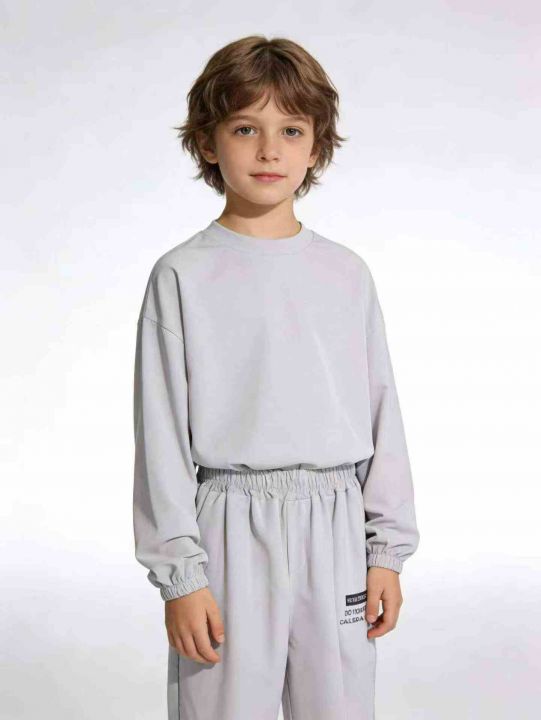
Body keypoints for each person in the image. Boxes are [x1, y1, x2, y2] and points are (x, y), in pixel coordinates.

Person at [132, 34, 420, 720]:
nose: (269, 150)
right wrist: (181, 578)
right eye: (244, 128)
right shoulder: (183, 275)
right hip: (229, 530)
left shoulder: (345, 273)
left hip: (335, 530)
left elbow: (381, 411)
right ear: (208, 143)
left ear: (316, 146)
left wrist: (386, 549)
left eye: (291, 130)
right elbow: (160, 433)